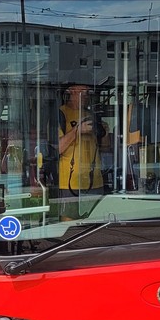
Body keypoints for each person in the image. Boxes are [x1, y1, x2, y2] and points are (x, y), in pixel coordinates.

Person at [55, 83, 109, 219]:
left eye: (89, 90)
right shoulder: (60, 114)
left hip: (95, 180)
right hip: (69, 182)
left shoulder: (92, 115)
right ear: (71, 90)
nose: (87, 93)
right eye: (83, 90)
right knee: (69, 223)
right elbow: (57, 148)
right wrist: (77, 130)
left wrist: (105, 133)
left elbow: (105, 148)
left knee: (95, 223)